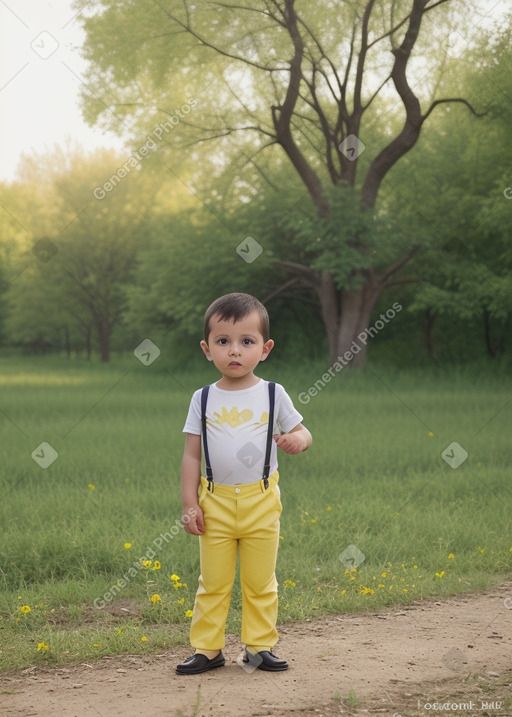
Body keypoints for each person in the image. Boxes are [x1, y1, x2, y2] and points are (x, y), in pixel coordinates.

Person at [176, 292, 312, 675]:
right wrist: (190, 503)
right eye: (223, 342)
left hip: (261, 502)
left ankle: (258, 647)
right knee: (213, 582)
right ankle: (207, 649)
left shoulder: (273, 393)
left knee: (259, 581)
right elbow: (191, 455)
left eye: (246, 342)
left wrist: (296, 441)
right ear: (207, 349)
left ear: (264, 348)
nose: (234, 351)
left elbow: (303, 432)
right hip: (214, 502)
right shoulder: (202, 399)